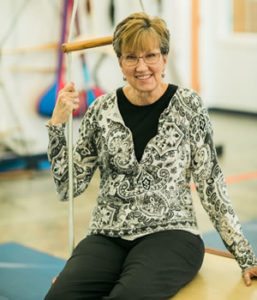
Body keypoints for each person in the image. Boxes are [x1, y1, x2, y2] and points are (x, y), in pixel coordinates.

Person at [44, 11, 257, 300]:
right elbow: (67, 187)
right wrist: (58, 124)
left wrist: (245, 255)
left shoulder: (188, 106)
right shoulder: (100, 110)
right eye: (131, 57)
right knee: (60, 297)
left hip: (171, 233)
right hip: (108, 235)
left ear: (164, 58)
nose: (141, 66)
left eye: (151, 56)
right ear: (120, 62)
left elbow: (211, 185)